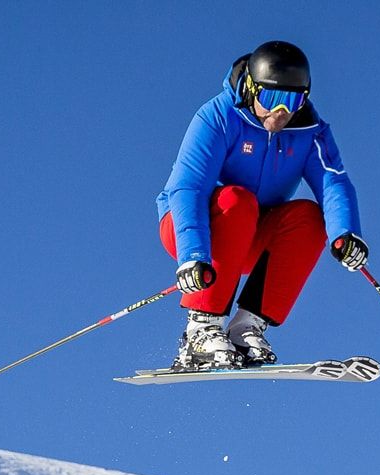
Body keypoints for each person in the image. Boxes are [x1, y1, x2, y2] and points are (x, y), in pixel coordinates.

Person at [157, 40, 368, 371]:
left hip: (252, 237)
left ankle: (246, 327)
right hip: (196, 231)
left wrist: (345, 234)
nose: (280, 113)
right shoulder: (219, 116)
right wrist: (193, 256)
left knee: (311, 219)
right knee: (238, 200)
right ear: (252, 88)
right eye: (272, 99)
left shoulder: (310, 132)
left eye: (292, 101)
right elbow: (188, 188)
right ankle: (202, 328)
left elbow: (333, 183)